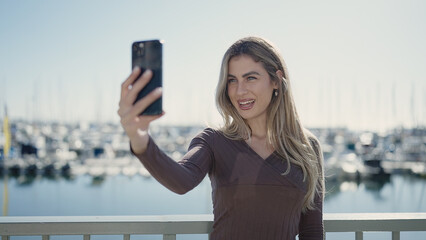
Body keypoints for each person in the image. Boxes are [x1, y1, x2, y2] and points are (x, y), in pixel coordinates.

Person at [118, 36, 324, 240]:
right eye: (232, 80)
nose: (240, 91)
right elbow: (181, 180)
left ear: (276, 81)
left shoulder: (307, 147)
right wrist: (139, 139)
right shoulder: (213, 141)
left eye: (250, 78)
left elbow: (312, 231)